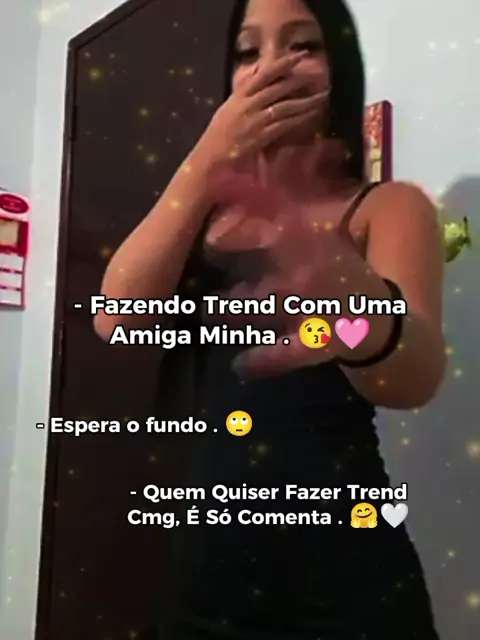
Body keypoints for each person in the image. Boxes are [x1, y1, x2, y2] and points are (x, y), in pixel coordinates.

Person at [95, 0, 446, 637]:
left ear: (340, 65)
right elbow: (117, 318)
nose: (271, 67)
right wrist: (208, 160)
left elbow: (413, 377)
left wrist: (345, 292)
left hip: (346, 574)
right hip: (207, 575)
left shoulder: (386, 206)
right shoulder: (202, 217)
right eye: (247, 52)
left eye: (303, 45)